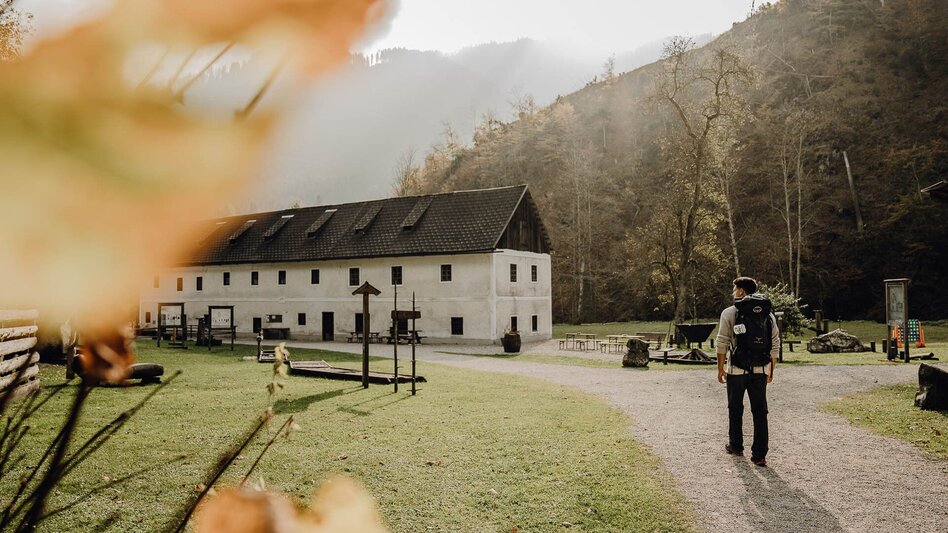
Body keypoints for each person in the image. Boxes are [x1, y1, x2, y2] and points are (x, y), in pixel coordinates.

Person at [715, 276, 779, 467]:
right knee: (760, 411)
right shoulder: (768, 314)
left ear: (741, 291)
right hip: (760, 370)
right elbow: (775, 343)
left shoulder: (729, 313)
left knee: (735, 408)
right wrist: (771, 369)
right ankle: (759, 454)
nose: (733, 292)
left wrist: (720, 368)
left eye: (735, 289)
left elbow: (722, 342)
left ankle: (736, 445)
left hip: (736, 370)